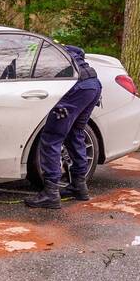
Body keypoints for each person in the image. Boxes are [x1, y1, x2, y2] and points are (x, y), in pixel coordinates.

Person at [25, 45, 102, 209]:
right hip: (93, 84)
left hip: (77, 87)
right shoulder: (58, 47)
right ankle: (79, 186)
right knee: (75, 132)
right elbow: (81, 51)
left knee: (51, 137)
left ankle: (51, 193)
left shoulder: (40, 50)